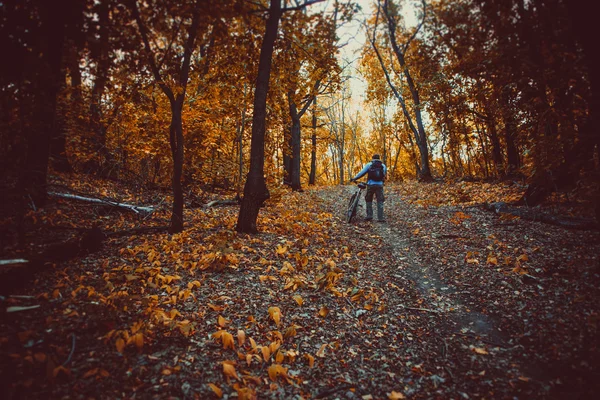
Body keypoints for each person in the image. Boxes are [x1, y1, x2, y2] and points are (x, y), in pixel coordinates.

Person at [350, 154, 387, 222]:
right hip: (379, 185)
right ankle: (380, 218)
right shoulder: (383, 166)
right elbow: (384, 175)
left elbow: (362, 173)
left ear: (372, 159)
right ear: (379, 158)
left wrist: (354, 178)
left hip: (370, 185)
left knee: (369, 199)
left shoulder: (369, 164)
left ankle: (369, 216)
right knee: (380, 200)